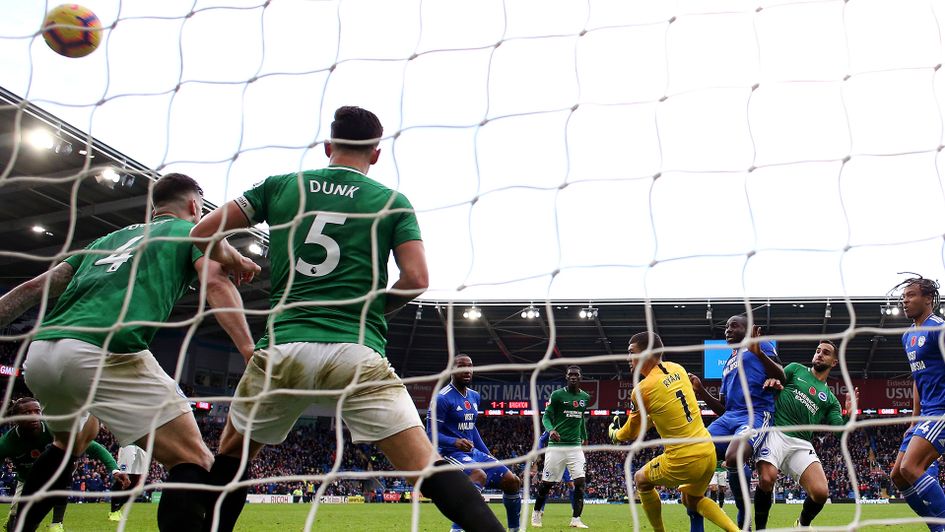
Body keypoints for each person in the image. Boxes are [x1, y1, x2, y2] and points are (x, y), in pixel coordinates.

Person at [189, 106, 504, 532]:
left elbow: (201, 233)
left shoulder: (280, 186)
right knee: (428, 467)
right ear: (375, 154)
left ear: (327, 146)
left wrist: (236, 256)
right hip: (356, 351)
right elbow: (416, 279)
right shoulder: (391, 202)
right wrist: (371, 309)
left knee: (232, 456)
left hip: (283, 347)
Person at [0, 173, 258, 532]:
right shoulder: (192, 232)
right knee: (193, 459)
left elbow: (35, 287)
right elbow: (215, 281)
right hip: (106, 350)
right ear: (195, 206)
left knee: (72, 439)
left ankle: (19, 526)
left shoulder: (106, 240)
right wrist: (249, 349)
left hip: (42, 354)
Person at [610, 332, 738, 532]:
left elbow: (631, 433)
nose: (628, 358)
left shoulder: (642, 389)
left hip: (684, 459)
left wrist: (614, 434)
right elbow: (667, 410)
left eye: (631, 352)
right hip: (708, 452)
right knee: (692, 499)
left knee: (641, 479)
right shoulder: (678, 369)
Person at [688, 315, 785, 530]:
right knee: (695, 451)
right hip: (729, 417)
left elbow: (782, 376)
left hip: (756, 414)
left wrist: (759, 353)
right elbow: (723, 408)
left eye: (734, 326)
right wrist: (701, 390)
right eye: (726, 327)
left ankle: (745, 515)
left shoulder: (762, 345)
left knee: (733, 456)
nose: (727, 330)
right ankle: (695, 518)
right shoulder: (728, 364)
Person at [752, 340, 856, 529]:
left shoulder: (831, 400)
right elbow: (774, 381)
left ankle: (802, 524)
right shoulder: (795, 369)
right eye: (817, 351)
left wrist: (850, 416)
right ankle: (760, 528)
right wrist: (773, 382)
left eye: (825, 352)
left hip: (801, 444)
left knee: (821, 492)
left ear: (834, 362)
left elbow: (842, 435)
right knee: (766, 479)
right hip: (776, 433)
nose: (819, 354)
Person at [0, 398, 129, 532]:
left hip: (54, 474)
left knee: (65, 477)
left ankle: (57, 523)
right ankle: (13, 522)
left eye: (37, 411)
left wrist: (115, 470)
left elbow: (94, 447)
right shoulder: (6, 443)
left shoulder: (52, 428)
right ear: (15, 418)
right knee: (17, 516)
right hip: (26, 480)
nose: (34, 415)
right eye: (27, 412)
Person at [426, 354, 523, 532]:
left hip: (472, 453)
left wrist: (489, 455)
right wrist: (454, 442)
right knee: (479, 475)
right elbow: (430, 435)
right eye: (462, 366)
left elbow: (472, 429)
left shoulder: (474, 396)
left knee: (512, 481)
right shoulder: (441, 398)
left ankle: (515, 529)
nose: (467, 370)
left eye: (470, 366)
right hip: (449, 454)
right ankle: (457, 529)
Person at [888, 276, 945, 532]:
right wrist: (914, 419)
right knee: (897, 476)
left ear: (928, 299)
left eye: (911, 295)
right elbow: (918, 379)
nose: (905, 300)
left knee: (911, 467)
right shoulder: (908, 337)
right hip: (925, 415)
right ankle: (936, 527)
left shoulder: (938, 329)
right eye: (904, 296)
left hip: (941, 411)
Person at [531, 365, 590, 529]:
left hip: (575, 447)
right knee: (547, 484)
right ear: (566, 377)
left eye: (576, 375)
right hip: (556, 447)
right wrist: (551, 430)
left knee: (580, 482)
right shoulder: (557, 395)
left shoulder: (585, 397)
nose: (573, 377)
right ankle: (536, 512)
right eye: (570, 374)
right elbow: (546, 417)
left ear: (580, 377)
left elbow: (580, 420)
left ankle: (576, 519)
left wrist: (584, 438)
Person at [108, 444, 150, 521]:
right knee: (123, 478)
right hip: (129, 443)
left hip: (143, 445)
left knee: (136, 483)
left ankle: (117, 509)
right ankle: (113, 512)